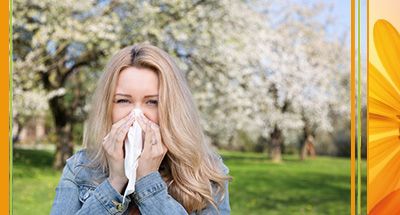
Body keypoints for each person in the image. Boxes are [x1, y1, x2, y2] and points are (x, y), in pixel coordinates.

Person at [50, 44, 231, 215]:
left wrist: (148, 182)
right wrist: (115, 182)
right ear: (108, 107)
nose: (137, 115)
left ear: (172, 108)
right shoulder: (80, 167)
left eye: (152, 102)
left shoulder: (206, 171)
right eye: (123, 101)